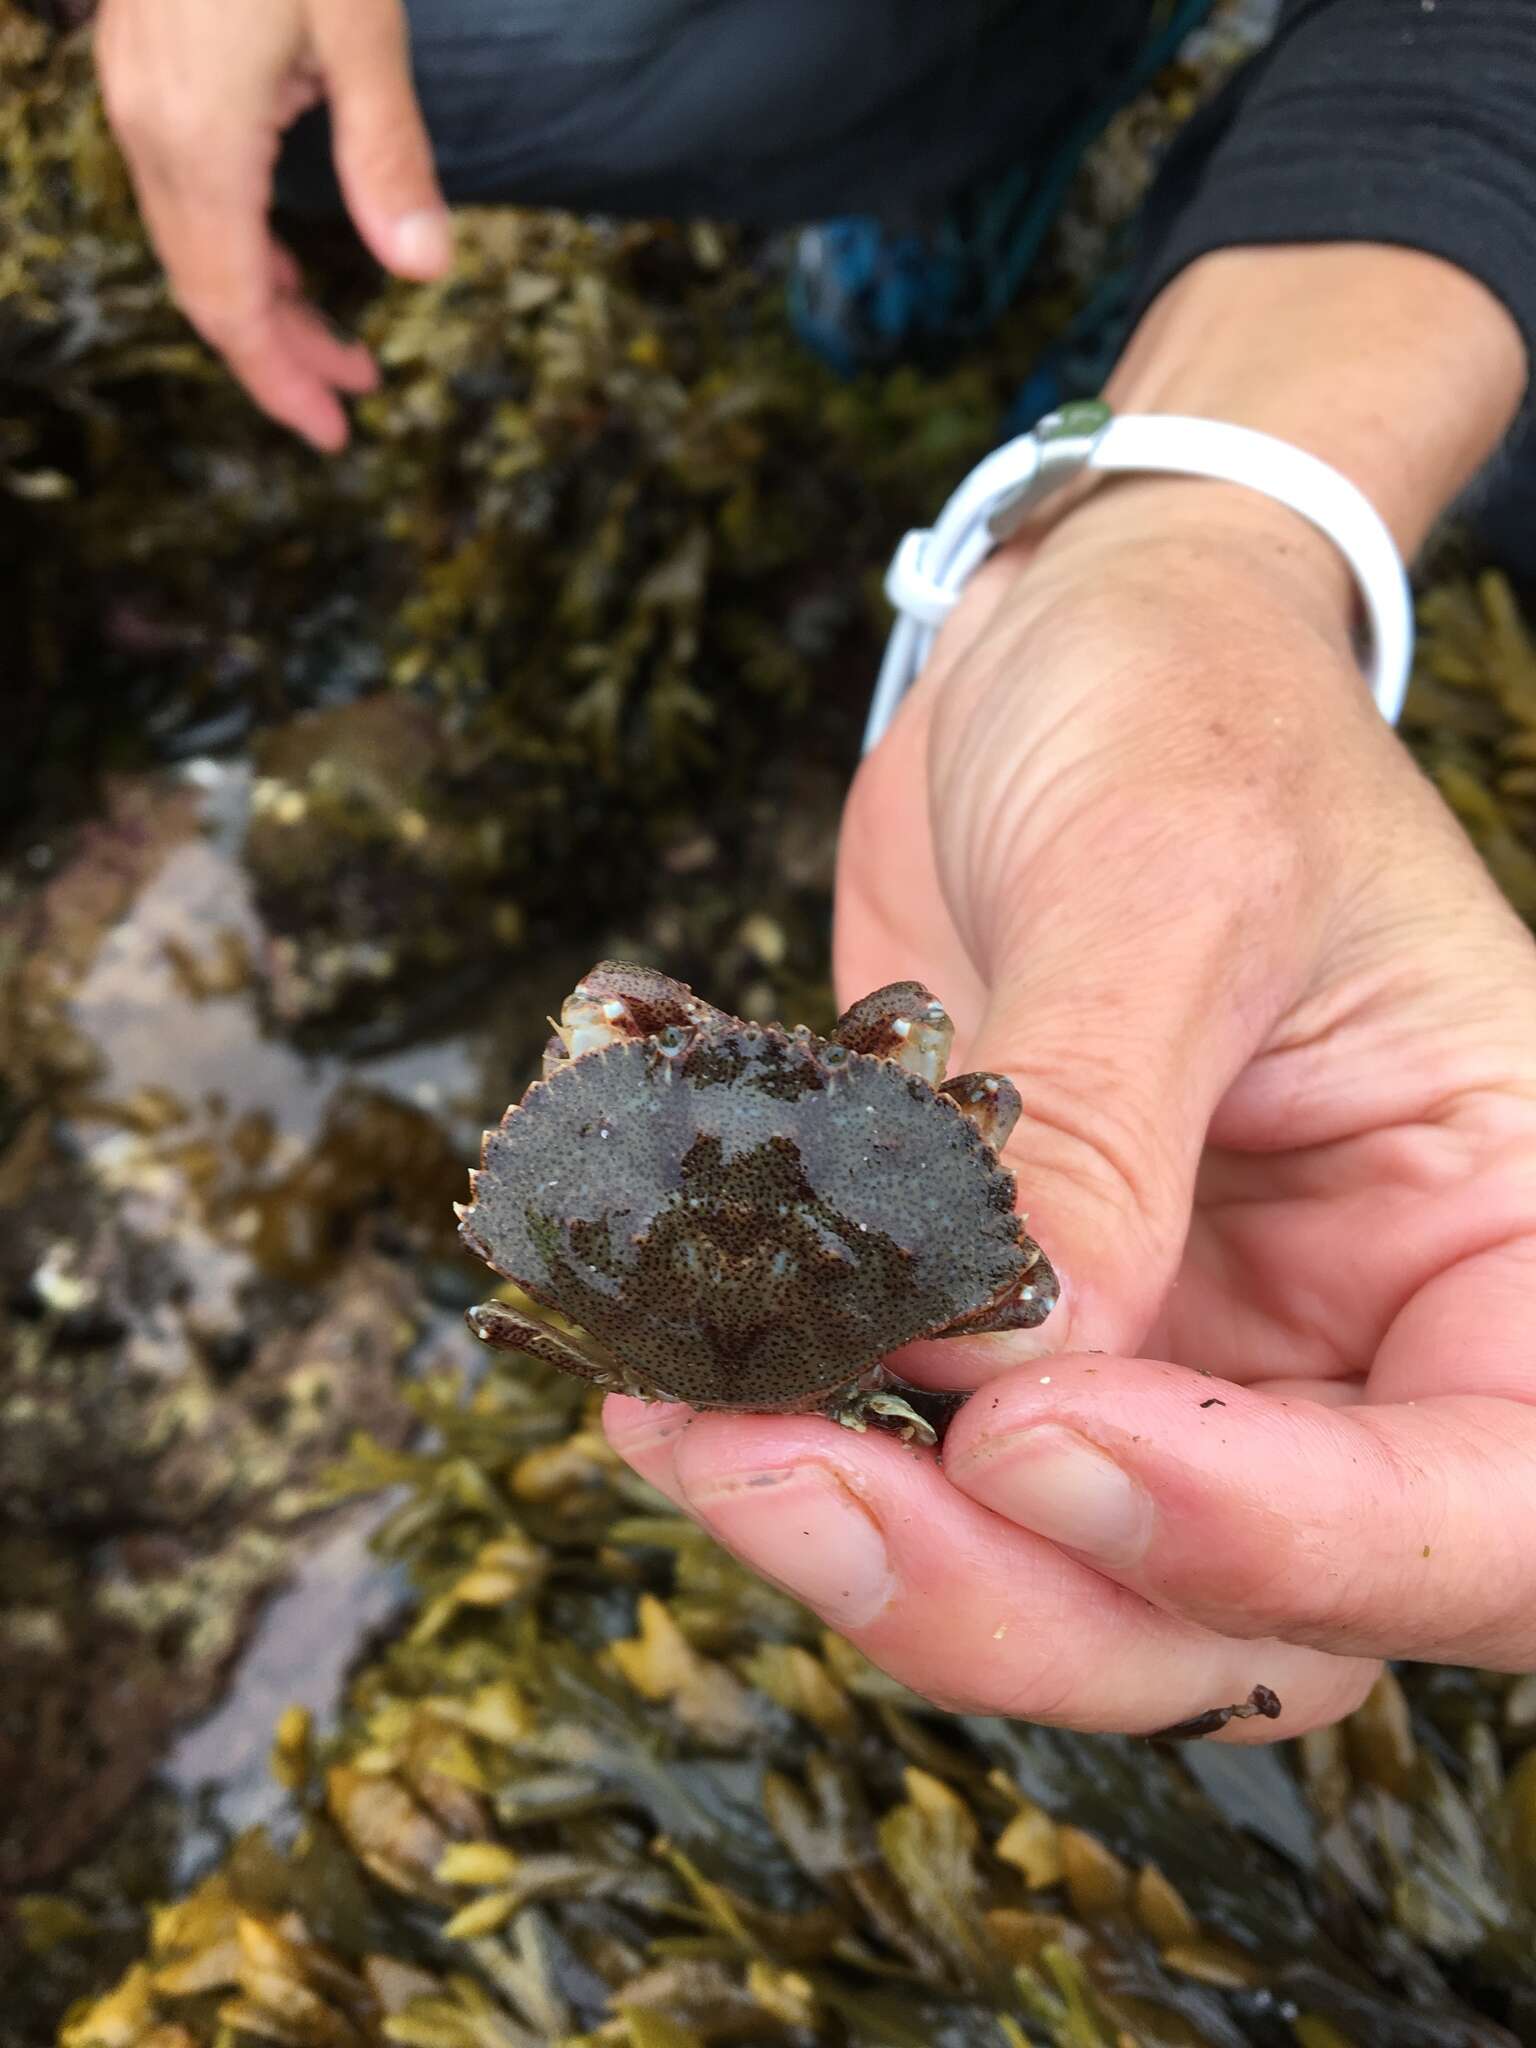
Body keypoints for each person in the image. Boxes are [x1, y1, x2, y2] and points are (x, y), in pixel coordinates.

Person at [93, 0, 1536, 1739]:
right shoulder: (975, 1252)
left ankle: (1140, 296)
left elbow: (524, 1308)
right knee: (370, 84)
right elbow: (958, 1142)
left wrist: (1224, 512)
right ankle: (1009, 158)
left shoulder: (598, 1218)